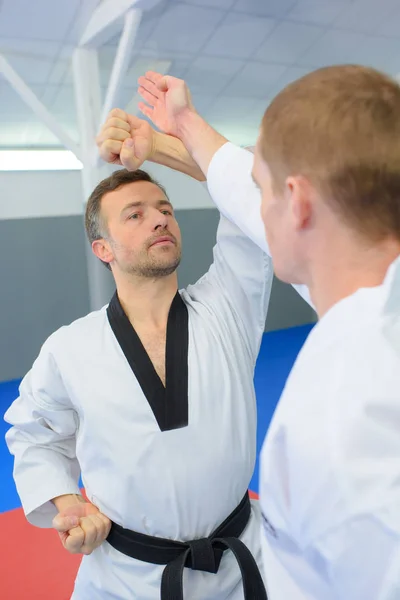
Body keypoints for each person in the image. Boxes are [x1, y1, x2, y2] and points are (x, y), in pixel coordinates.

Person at [137, 66, 400, 599]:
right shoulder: (372, 306)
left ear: (298, 203)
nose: (255, 209)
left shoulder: (349, 415)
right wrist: (186, 123)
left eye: (263, 191)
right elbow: (239, 184)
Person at [3, 115, 282, 598]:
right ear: (102, 248)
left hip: (244, 562)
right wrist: (68, 501)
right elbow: (33, 437)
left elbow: (254, 190)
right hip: (126, 579)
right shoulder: (70, 348)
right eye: (135, 214)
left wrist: (160, 147)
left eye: (165, 209)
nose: (159, 218)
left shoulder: (227, 306)